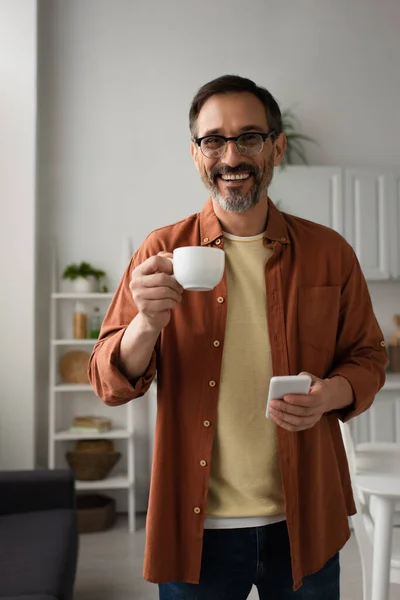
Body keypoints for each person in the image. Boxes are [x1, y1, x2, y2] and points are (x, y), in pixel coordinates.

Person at [88, 75, 388, 599]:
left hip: (305, 519)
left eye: (249, 137)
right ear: (196, 154)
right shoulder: (161, 250)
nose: (232, 155)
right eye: (214, 140)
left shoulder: (329, 252)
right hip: (195, 529)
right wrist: (147, 323)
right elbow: (108, 381)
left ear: (276, 147)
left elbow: (369, 356)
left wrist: (329, 396)